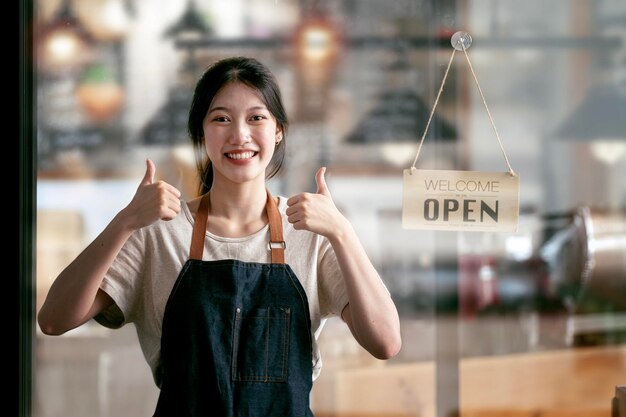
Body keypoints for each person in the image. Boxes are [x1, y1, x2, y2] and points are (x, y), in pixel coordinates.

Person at [38, 56, 401, 416]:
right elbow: (54, 320)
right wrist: (124, 222)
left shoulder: (310, 234)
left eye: (256, 117)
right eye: (221, 119)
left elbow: (385, 342)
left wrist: (342, 231)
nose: (239, 134)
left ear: (278, 130)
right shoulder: (159, 233)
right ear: (201, 133)